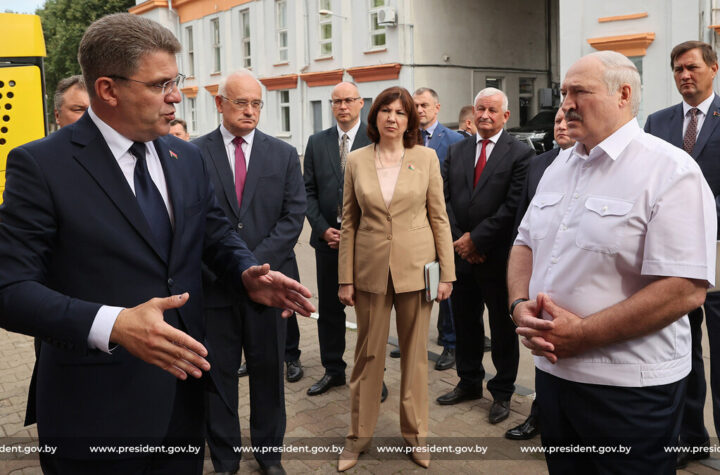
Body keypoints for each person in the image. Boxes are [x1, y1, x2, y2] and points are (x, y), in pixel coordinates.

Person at [0, 13, 314, 474]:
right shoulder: (41, 166)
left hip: (182, 401)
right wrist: (113, 324)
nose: (176, 96)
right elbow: (10, 290)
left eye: (176, 81)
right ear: (108, 89)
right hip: (96, 412)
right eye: (160, 84)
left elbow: (213, 233)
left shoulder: (185, 156)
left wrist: (245, 271)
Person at [508, 51, 716, 473]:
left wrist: (583, 334)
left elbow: (684, 289)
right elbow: (524, 243)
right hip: (554, 377)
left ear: (623, 94)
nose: (566, 104)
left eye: (579, 92)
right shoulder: (560, 165)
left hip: (628, 391)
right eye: (564, 93)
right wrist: (518, 305)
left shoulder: (671, 170)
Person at [336, 86, 455, 471]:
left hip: (417, 271)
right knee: (367, 357)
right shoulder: (357, 160)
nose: (392, 117)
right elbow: (349, 222)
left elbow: (439, 217)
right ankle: (357, 438)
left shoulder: (426, 157)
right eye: (386, 110)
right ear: (375, 117)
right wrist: (345, 278)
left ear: (410, 120)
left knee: (415, 358)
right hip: (370, 271)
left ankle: (416, 436)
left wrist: (447, 274)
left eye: (401, 112)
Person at [193, 69, 305, 475]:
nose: (250, 111)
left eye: (256, 103)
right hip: (216, 287)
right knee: (218, 377)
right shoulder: (193, 154)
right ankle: (225, 459)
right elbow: (192, 222)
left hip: (270, 285)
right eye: (241, 102)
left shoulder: (283, 154)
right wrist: (234, 270)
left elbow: (293, 217)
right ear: (219, 103)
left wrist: (255, 268)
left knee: (268, 374)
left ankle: (269, 455)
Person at [644, 40, 720, 469]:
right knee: (681, 353)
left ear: (713, 68)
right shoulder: (658, 122)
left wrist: (698, 215)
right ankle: (690, 439)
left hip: (719, 251)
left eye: (692, 67)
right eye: (677, 69)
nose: (684, 75)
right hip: (672, 258)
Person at [438, 87, 532, 426]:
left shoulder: (520, 153)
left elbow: (514, 205)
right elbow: (443, 199)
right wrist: (460, 241)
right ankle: (468, 382)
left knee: (502, 328)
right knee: (465, 323)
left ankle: (503, 392)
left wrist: (477, 240)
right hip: (461, 256)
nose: (485, 115)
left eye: (492, 110)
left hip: (497, 257)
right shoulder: (457, 150)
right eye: (480, 109)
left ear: (506, 116)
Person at [303, 81, 388, 401]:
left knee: (370, 312)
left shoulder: (376, 140)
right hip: (328, 242)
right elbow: (307, 191)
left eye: (348, 100)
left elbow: (384, 193)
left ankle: (374, 374)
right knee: (329, 309)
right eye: (336, 101)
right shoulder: (317, 142)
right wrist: (323, 228)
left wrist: (357, 233)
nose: (342, 106)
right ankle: (333, 369)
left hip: (366, 244)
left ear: (360, 103)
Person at [504, 108, 575, 441]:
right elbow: (523, 222)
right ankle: (538, 415)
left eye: (566, 120)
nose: (561, 125)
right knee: (541, 345)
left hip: (573, 275)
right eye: (556, 121)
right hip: (540, 274)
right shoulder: (540, 164)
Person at [391, 86, 462, 371]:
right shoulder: (403, 140)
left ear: (437, 108)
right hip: (410, 229)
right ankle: (409, 340)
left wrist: (451, 227)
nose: (419, 110)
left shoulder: (455, 140)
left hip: (443, 224)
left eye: (424, 105)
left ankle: (450, 344)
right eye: (415, 105)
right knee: (408, 288)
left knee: (442, 287)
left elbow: (457, 188)